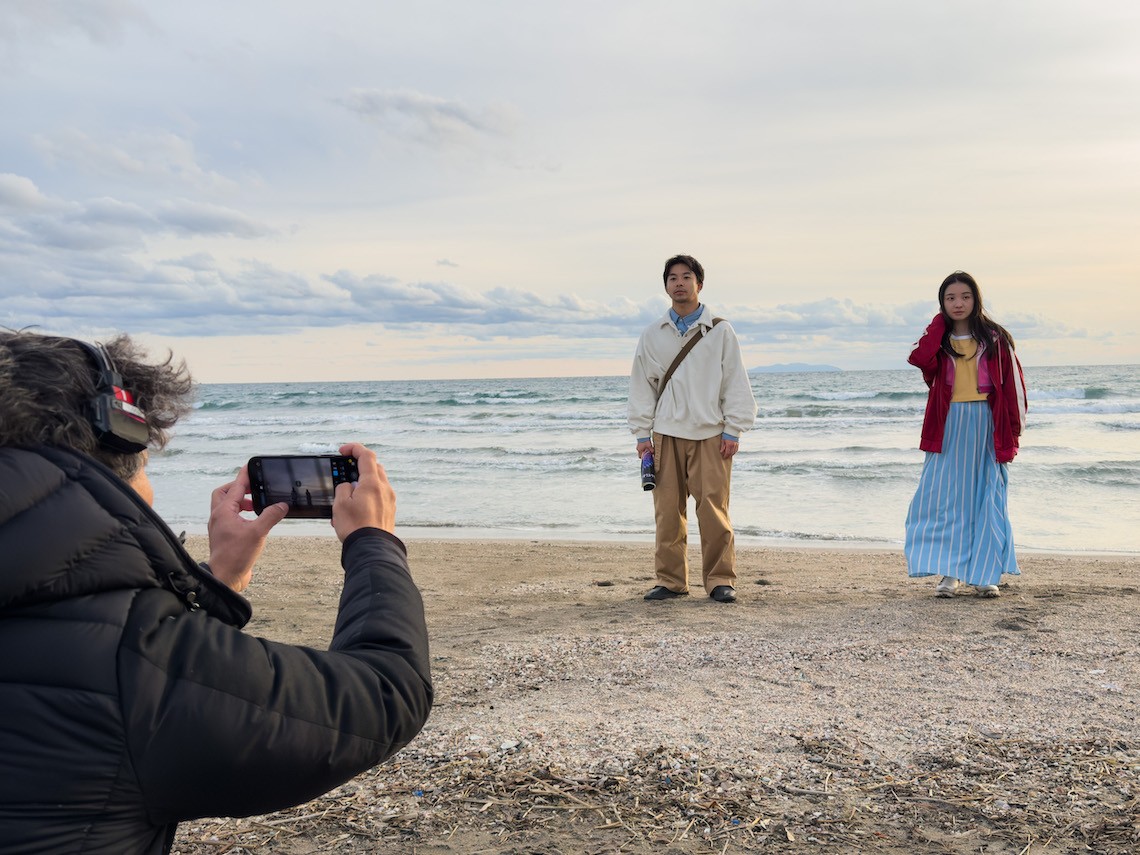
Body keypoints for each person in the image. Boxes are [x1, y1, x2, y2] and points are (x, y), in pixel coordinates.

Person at [0, 330, 433, 853]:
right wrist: (374, 541)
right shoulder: (131, 667)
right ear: (117, 440)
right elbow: (385, 694)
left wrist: (216, 582)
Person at [628, 255, 757, 603]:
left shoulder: (720, 330)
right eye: (673, 278)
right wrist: (642, 435)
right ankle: (671, 581)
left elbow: (735, 382)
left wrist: (734, 429)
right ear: (666, 286)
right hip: (666, 434)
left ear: (700, 283)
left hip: (711, 434)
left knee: (713, 510)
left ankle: (719, 580)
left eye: (687, 277)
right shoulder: (653, 334)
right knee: (667, 512)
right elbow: (642, 386)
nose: (680, 283)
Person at [904, 271, 1028, 598]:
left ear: (976, 299)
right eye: (950, 298)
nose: (958, 303)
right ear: (942, 303)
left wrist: (1014, 432)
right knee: (945, 500)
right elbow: (919, 358)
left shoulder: (995, 339)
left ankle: (985, 574)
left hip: (987, 424)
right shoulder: (939, 341)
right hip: (948, 425)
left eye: (965, 297)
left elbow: (1014, 388)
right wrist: (939, 325)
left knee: (988, 499)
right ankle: (950, 574)